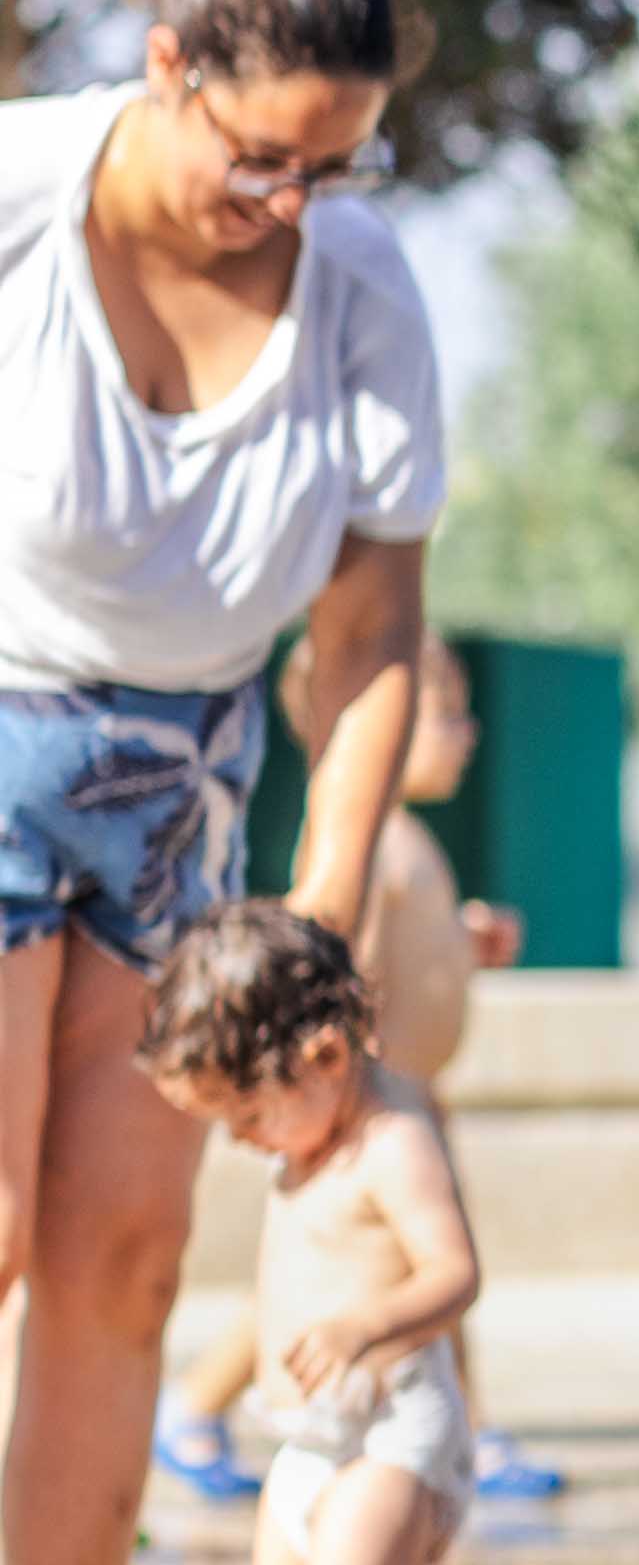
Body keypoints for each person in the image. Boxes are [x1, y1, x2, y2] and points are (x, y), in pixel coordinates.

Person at [0, 0, 443, 1565]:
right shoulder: (17, 192)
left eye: (332, 161)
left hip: (188, 788)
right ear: (166, 63)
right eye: (260, 152)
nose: (291, 198)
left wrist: (317, 939)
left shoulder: (357, 280)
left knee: (118, 1270)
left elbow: (365, 635)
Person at [112, 911, 479, 1565]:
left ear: (322, 1055)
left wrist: (373, 1320)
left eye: (248, 1117)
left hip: (393, 1436)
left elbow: (458, 1271)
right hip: (310, 1440)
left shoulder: (392, 1139)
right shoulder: (315, 1122)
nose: (242, 1141)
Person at [158, 637, 538, 1507]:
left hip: (410, 1094)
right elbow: (331, 974)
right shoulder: (365, 851)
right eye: (445, 715)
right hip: (372, 1108)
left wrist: (462, 942)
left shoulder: (409, 844)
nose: (469, 732)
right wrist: (345, 1088)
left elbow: (406, 958)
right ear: (385, 730)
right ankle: (201, 1405)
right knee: (377, 1268)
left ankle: (466, 1428)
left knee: (415, 1261)